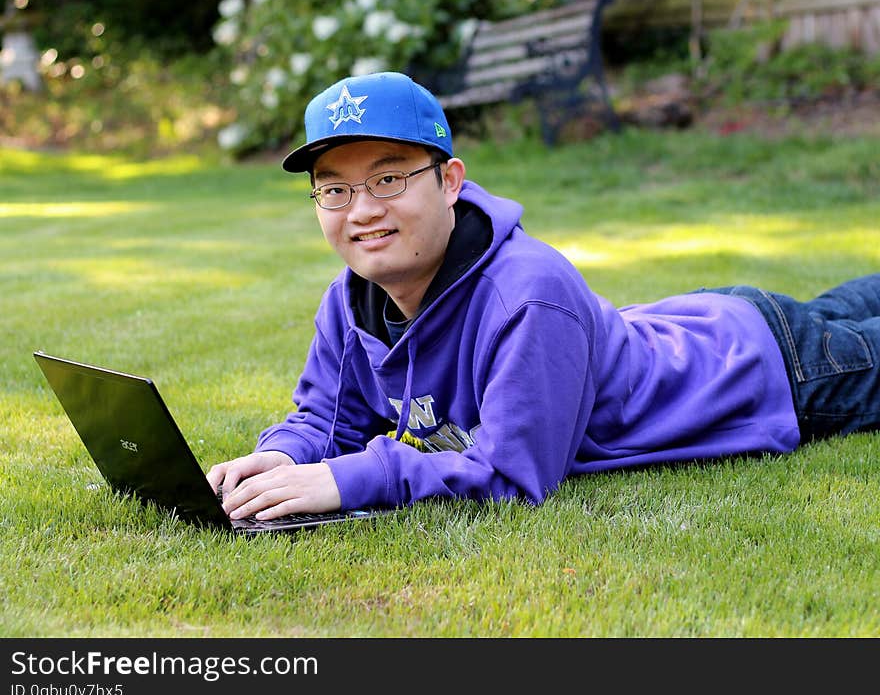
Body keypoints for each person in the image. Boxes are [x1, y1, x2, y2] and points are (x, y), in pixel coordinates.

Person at [207, 71, 880, 521]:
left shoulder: (528, 294)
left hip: (772, 371)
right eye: (335, 189)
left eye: (388, 179)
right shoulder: (350, 299)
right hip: (708, 321)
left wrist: (349, 480)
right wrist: (284, 457)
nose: (361, 211)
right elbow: (328, 416)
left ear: (449, 181)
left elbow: (511, 473)